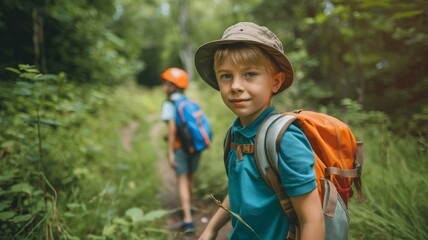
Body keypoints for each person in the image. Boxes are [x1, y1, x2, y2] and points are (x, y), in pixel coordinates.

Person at [194, 22, 325, 239]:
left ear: (275, 81)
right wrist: (211, 228)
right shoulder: (235, 134)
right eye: (226, 76)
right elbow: (240, 191)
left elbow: (312, 220)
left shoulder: (284, 140)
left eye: (250, 74)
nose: (235, 86)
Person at [160, 67, 200, 234]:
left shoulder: (169, 103)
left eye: (165, 83)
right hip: (195, 147)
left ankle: (188, 221)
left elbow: (172, 130)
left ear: (173, 85)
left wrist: (170, 153)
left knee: (181, 180)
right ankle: (189, 208)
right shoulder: (187, 101)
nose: (163, 86)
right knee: (190, 178)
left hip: (180, 148)